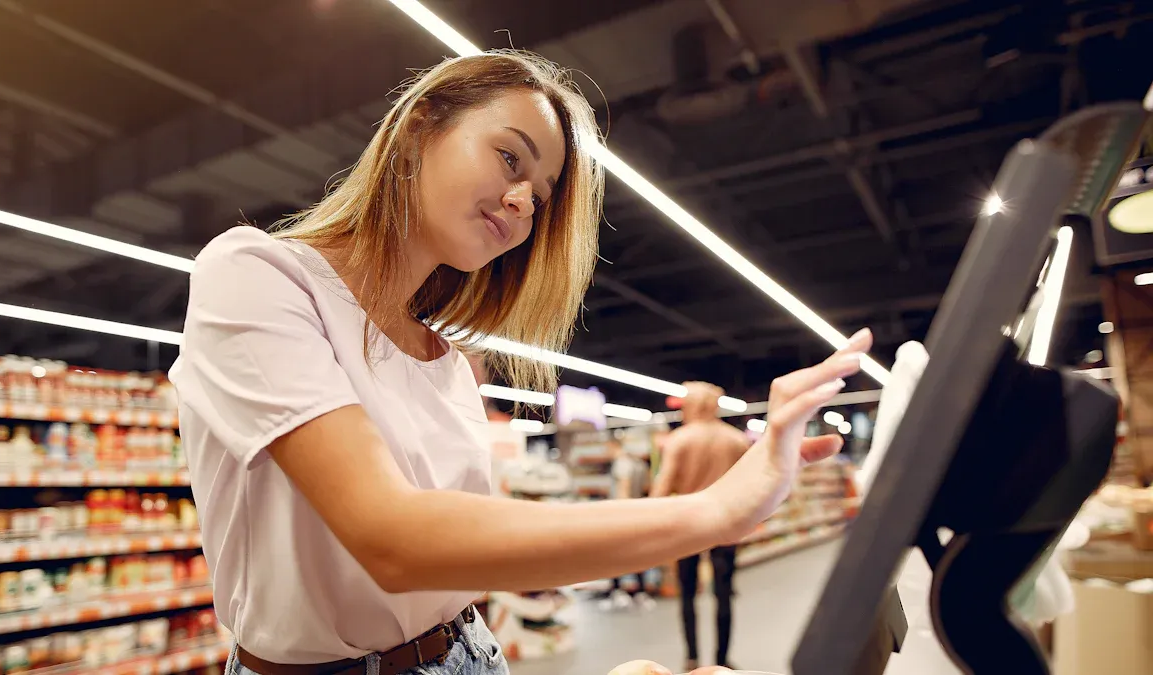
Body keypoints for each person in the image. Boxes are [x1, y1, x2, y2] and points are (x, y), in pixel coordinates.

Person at [170, 49, 871, 675]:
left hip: (467, 650)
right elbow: (391, 539)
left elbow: (459, 556)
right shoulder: (257, 274)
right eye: (511, 158)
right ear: (421, 126)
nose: (521, 201)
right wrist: (716, 509)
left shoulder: (447, 361)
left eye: (539, 196)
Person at [652, 382, 757, 672]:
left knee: (687, 594)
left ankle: (692, 658)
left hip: (687, 526)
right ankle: (723, 659)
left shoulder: (679, 440)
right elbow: (749, 486)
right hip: (727, 525)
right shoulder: (736, 440)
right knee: (724, 595)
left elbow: (661, 490)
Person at [601, 438, 656, 612]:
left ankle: (618, 592)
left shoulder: (621, 464)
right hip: (635, 513)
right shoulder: (637, 463)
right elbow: (646, 486)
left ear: (613, 446)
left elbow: (623, 489)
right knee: (637, 554)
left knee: (615, 554)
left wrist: (619, 516)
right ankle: (640, 592)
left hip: (622, 515)